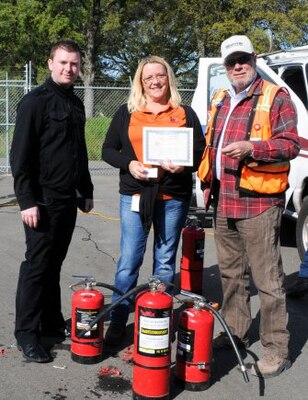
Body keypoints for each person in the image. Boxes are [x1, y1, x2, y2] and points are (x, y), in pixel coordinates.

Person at [199, 35, 300, 378]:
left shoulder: (276, 97)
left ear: (254, 59)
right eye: (231, 61)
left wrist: (252, 148)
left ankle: (276, 349)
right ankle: (235, 332)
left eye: (243, 59)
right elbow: (208, 142)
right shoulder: (221, 98)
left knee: (268, 280)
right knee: (231, 276)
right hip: (223, 202)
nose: (237, 66)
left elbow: (289, 145)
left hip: (258, 204)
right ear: (225, 67)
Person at [102, 55, 204, 345]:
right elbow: (108, 149)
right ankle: (119, 320)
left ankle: (159, 320)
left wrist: (183, 165)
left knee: (164, 261)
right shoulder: (127, 112)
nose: (155, 81)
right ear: (141, 82)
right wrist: (129, 164)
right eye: (148, 78)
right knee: (129, 260)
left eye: (160, 75)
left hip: (173, 197)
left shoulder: (185, 112)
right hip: (135, 194)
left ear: (168, 77)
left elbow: (199, 150)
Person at [10, 39, 94, 363]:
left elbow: (80, 152)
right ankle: (26, 335)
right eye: (62, 63)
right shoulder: (34, 103)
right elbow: (20, 156)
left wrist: (85, 190)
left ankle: (50, 323)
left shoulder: (76, 104)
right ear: (49, 63)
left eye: (73, 64)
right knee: (36, 266)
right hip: (41, 202)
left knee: (53, 265)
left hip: (67, 201)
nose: (68, 69)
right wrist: (26, 201)